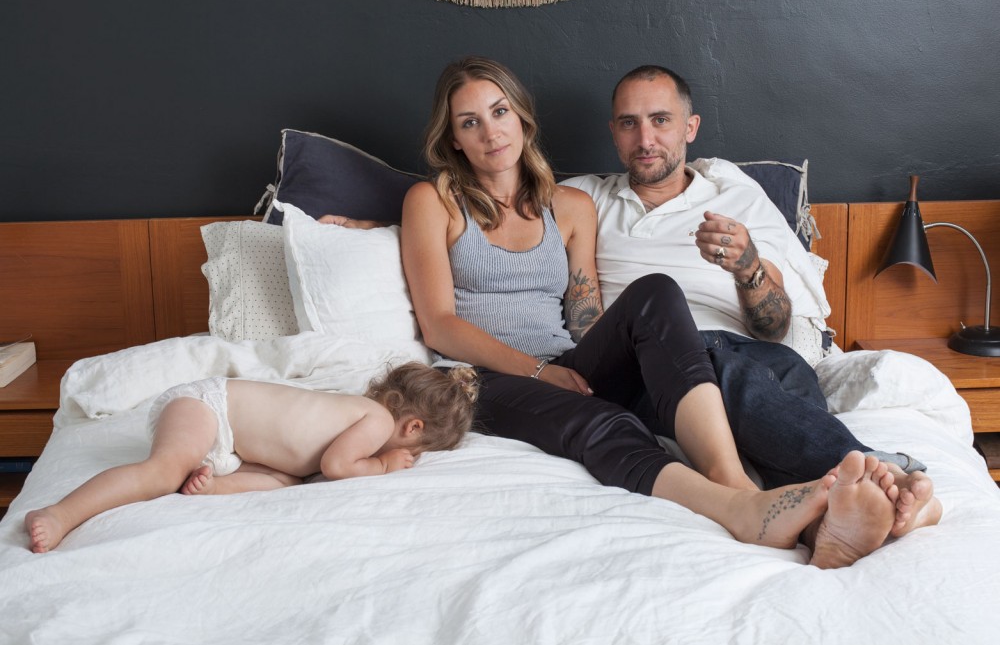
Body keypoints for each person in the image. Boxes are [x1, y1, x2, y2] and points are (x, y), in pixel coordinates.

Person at [399, 55, 906, 569]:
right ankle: (754, 501)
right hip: (482, 376)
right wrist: (539, 372)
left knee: (657, 293)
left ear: (522, 119)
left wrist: (629, 355)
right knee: (604, 418)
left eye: (499, 112)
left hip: (570, 362)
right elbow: (440, 325)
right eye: (470, 122)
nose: (490, 132)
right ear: (453, 138)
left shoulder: (571, 205)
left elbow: (586, 318)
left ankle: (799, 502)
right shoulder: (432, 201)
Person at [561, 64, 942, 538]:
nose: (645, 139)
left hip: (757, 354)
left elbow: (775, 328)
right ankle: (878, 472)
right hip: (651, 364)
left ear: (690, 127)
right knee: (727, 370)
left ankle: (823, 528)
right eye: (628, 123)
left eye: (660, 120)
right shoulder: (585, 200)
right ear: (613, 132)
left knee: (783, 384)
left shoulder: (738, 198)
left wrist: (748, 268)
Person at [24, 362, 478, 554]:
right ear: (412, 428)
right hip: (208, 406)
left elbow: (309, 466)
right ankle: (62, 513)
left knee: (286, 482)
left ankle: (211, 485)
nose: (406, 457)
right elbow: (339, 467)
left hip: (232, 445)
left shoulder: (358, 417)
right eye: (415, 452)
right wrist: (383, 465)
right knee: (161, 473)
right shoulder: (376, 420)